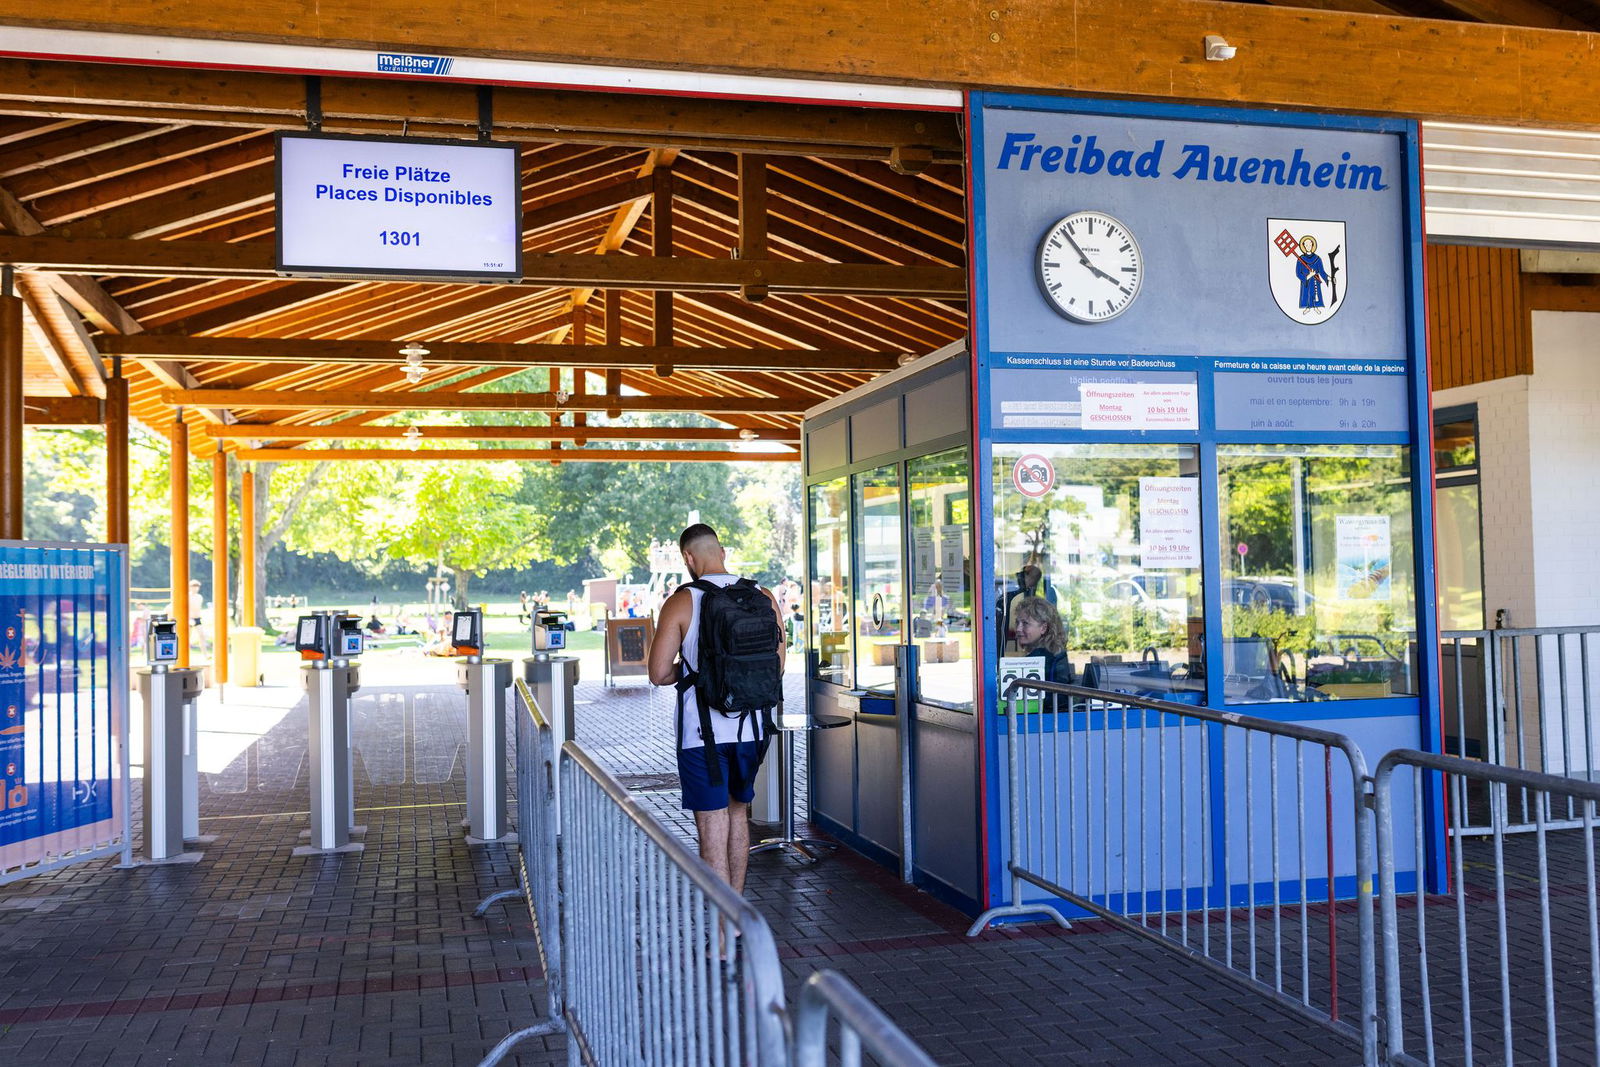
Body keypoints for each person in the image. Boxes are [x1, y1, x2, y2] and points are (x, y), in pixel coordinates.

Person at [647, 524, 784, 894]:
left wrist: (697, 671)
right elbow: (777, 666)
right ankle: (737, 912)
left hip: (701, 735)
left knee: (711, 827)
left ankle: (722, 933)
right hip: (752, 729)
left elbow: (659, 673)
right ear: (722, 551)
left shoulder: (682, 601)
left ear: (688, 558)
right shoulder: (763, 596)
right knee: (738, 813)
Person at [1010, 595, 1074, 684]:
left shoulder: (1036, 661)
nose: (1018, 629)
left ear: (1043, 628)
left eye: (1025, 623)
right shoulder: (1054, 654)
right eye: (1018, 622)